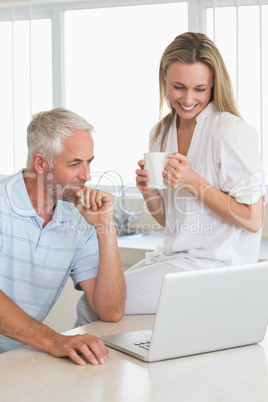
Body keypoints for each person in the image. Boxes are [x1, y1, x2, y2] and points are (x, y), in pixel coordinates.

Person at [76, 32, 266, 324]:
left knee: (94, 306)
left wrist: (192, 181)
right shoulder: (162, 132)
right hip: (173, 258)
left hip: (214, 268)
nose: (188, 99)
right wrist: (149, 193)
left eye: (199, 89)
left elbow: (253, 221)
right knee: (93, 302)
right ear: (164, 80)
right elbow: (171, 221)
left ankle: (81, 363)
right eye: (178, 87)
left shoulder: (230, 131)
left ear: (214, 84)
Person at [0, 107, 126, 365]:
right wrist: (54, 341)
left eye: (89, 161)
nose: (87, 175)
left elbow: (110, 311)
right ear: (40, 163)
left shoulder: (77, 218)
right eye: (75, 163)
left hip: (15, 362)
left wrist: (104, 226)